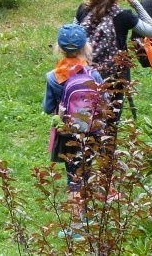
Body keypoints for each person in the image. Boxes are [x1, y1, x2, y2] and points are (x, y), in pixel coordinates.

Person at [43, 23, 103, 241]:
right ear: (85, 47)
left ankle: (77, 227)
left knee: (73, 177)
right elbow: (103, 102)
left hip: (69, 133)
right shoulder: (94, 74)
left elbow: (48, 107)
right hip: (92, 132)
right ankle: (87, 216)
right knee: (86, 170)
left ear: (59, 49)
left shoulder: (53, 77)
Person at [76, 0, 152, 123]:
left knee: (83, 117)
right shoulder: (123, 16)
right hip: (115, 76)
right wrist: (135, 3)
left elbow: (75, 34)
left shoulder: (83, 9)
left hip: (83, 72)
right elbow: (151, 30)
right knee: (110, 122)